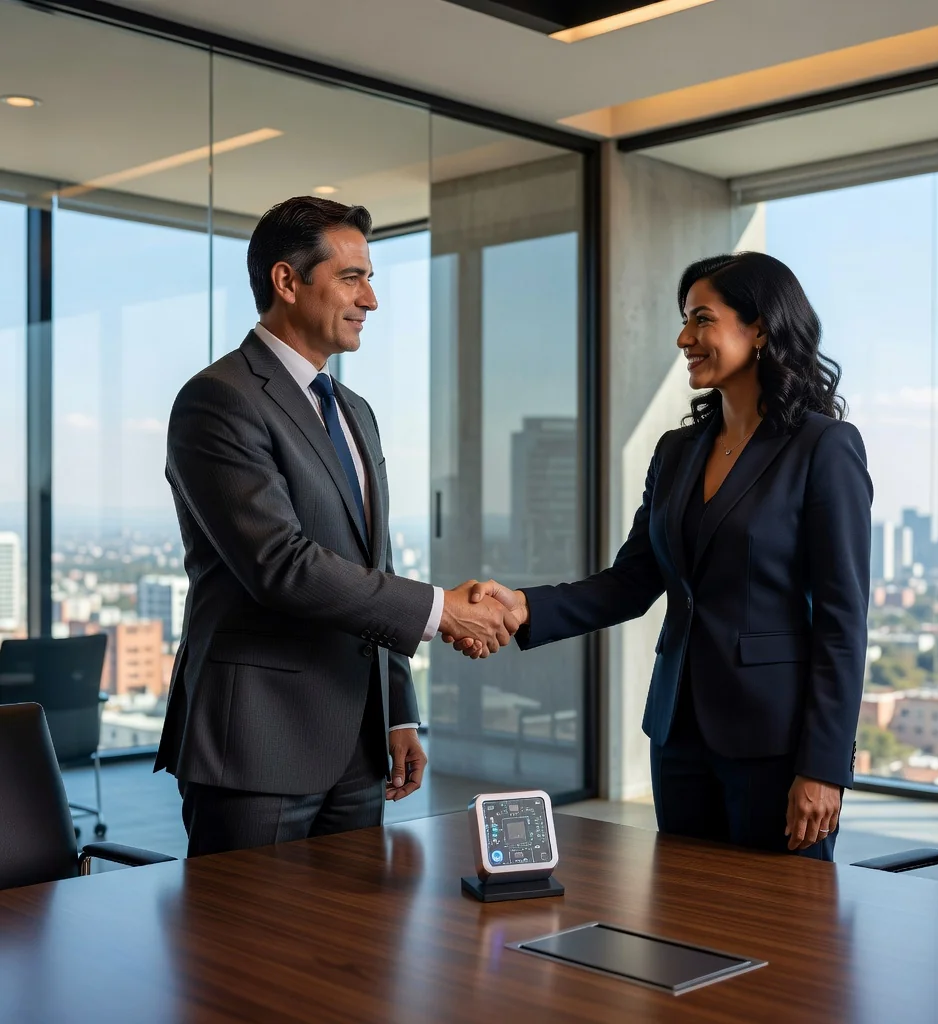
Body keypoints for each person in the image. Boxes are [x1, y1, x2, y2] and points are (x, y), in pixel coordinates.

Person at [453, 252, 872, 860]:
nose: (684, 338)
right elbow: (632, 581)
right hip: (678, 734)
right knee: (684, 920)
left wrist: (826, 766)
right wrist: (521, 607)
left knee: (783, 935)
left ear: (759, 328)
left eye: (702, 319)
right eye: (684, 320)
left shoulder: (824, 448)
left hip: (776, 744)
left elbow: (843, 622)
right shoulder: (677, 451)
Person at [156, 196, 516, 857]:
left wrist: (398, 707)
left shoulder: (355, 411)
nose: (370, 299)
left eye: (370, 279)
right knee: (248, 953)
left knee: (353, 952)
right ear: (286, 281)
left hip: (358, 745)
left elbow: (366, 568)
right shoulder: (218, 400)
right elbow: (281, 566)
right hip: (257, 745)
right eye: (352, 278)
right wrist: (441, 612)